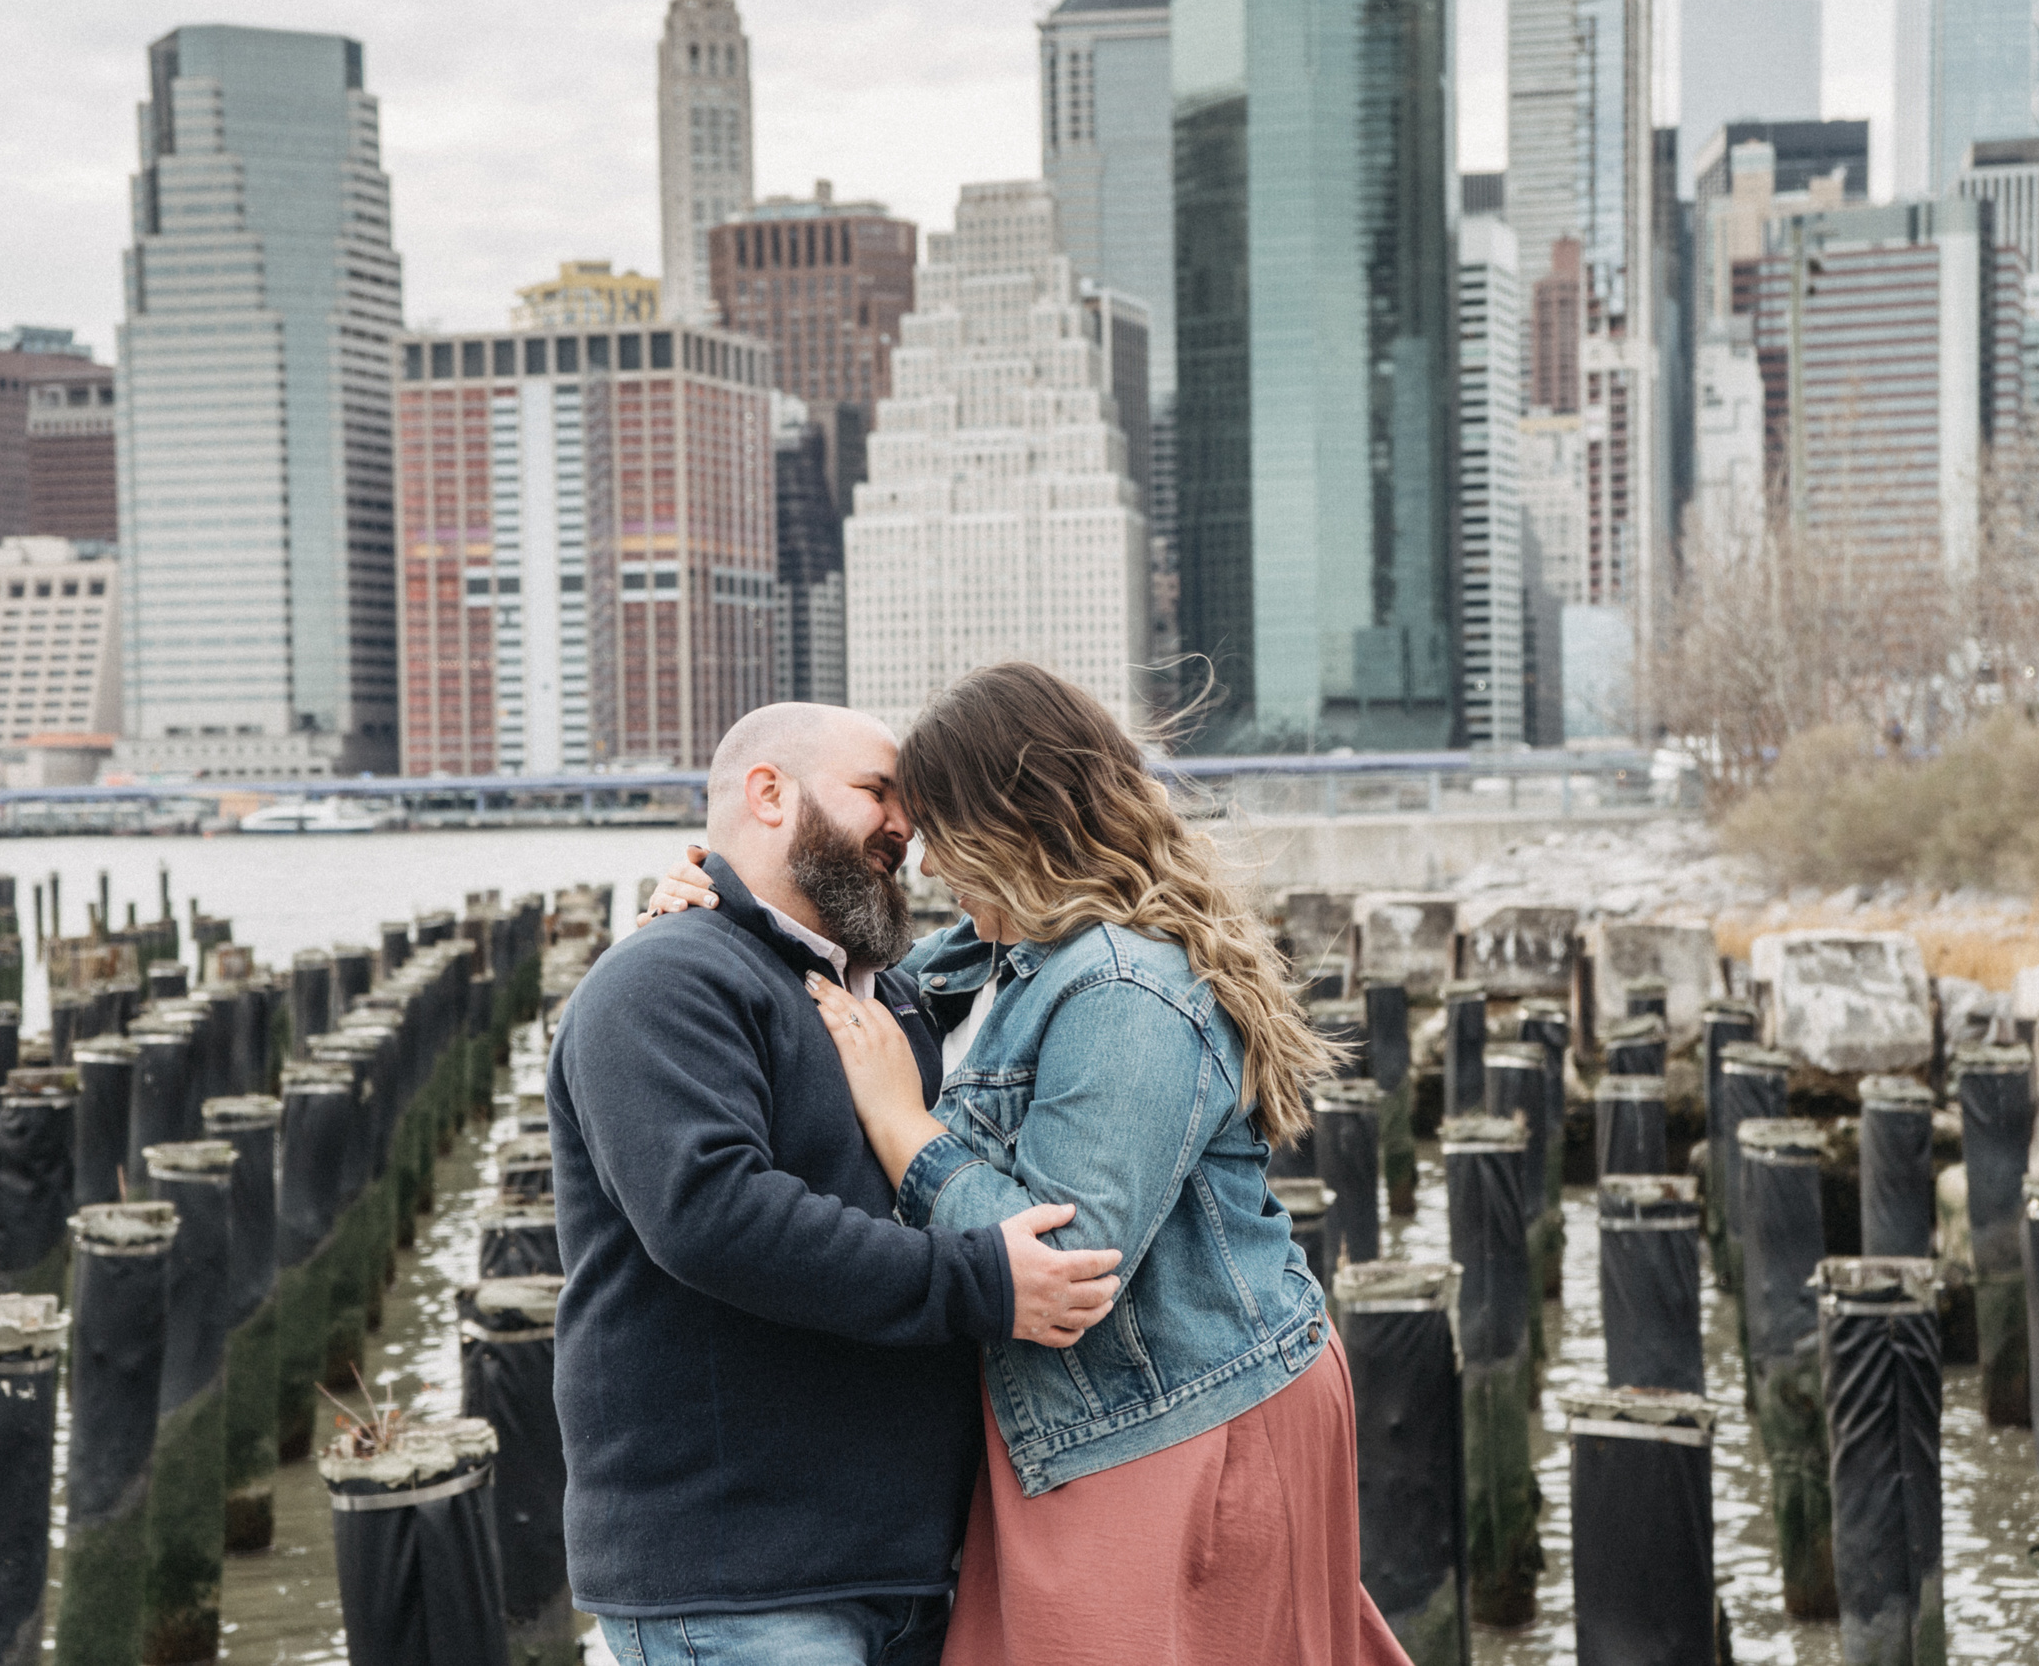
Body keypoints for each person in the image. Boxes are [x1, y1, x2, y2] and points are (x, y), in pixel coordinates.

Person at [644, 664, 1410, 1666]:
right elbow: (822, 996)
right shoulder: (1009, 954)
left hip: (1176, 1413)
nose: (921, 868)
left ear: (1016, 826)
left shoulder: (1127, 983)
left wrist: (903, 1127)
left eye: (942, 838)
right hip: (1105, 1412)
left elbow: (1073, 1256)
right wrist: (708, 914)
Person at [548, 700, 1125, 1666]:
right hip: (737, 1580)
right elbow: (712, 1214)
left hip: (908, 1570)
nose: (908, 826)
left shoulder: (888, 995)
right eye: (877, 793)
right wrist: (981, 1280)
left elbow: (1031, 925)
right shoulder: (665, 980)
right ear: (768, 794)